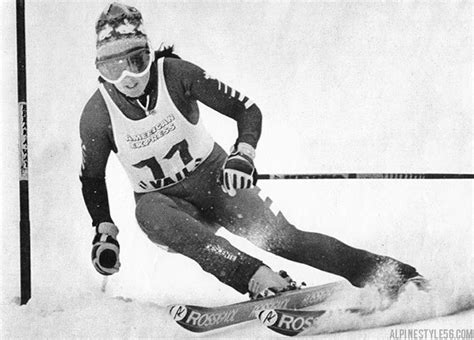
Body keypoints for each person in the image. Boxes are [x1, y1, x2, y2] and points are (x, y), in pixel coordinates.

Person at [80, 2, 423, 300]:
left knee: (285, 239)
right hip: (167, 207)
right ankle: (257, 278)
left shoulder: (176, 75)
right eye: (111, 68)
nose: (126, 77)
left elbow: (246, 110)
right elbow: (92, 177)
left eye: (136, 61)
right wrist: (104, 230)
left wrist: (243, 154)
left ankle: (395, 276)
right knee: (148, 213)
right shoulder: (97, 115)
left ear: (149, 53)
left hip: (217, 181)